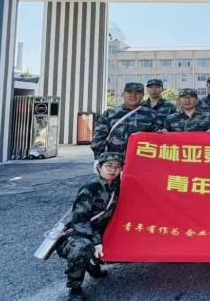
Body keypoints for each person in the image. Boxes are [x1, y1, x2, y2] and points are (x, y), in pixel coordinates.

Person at [57, 152, 123, 300]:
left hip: (102, 230)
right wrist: (97, 241)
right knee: (81, 249)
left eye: (117, 167)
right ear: (99, 167)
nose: (113, 170)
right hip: (81, 231)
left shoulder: (117, 186)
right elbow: (80, 220)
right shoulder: (90, 188)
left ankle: (93, 266)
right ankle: (75, 289)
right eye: (108, 166)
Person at [90, 82, 159, 158]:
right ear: (123, 94)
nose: (133, 95)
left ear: (142, 95)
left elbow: (158, 141)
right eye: (129, 92)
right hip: (114, 161)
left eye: (138, 92)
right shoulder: (109, 114)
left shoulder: (152, 115)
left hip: (140, 159)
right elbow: (97, 140)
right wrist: (102, 159)